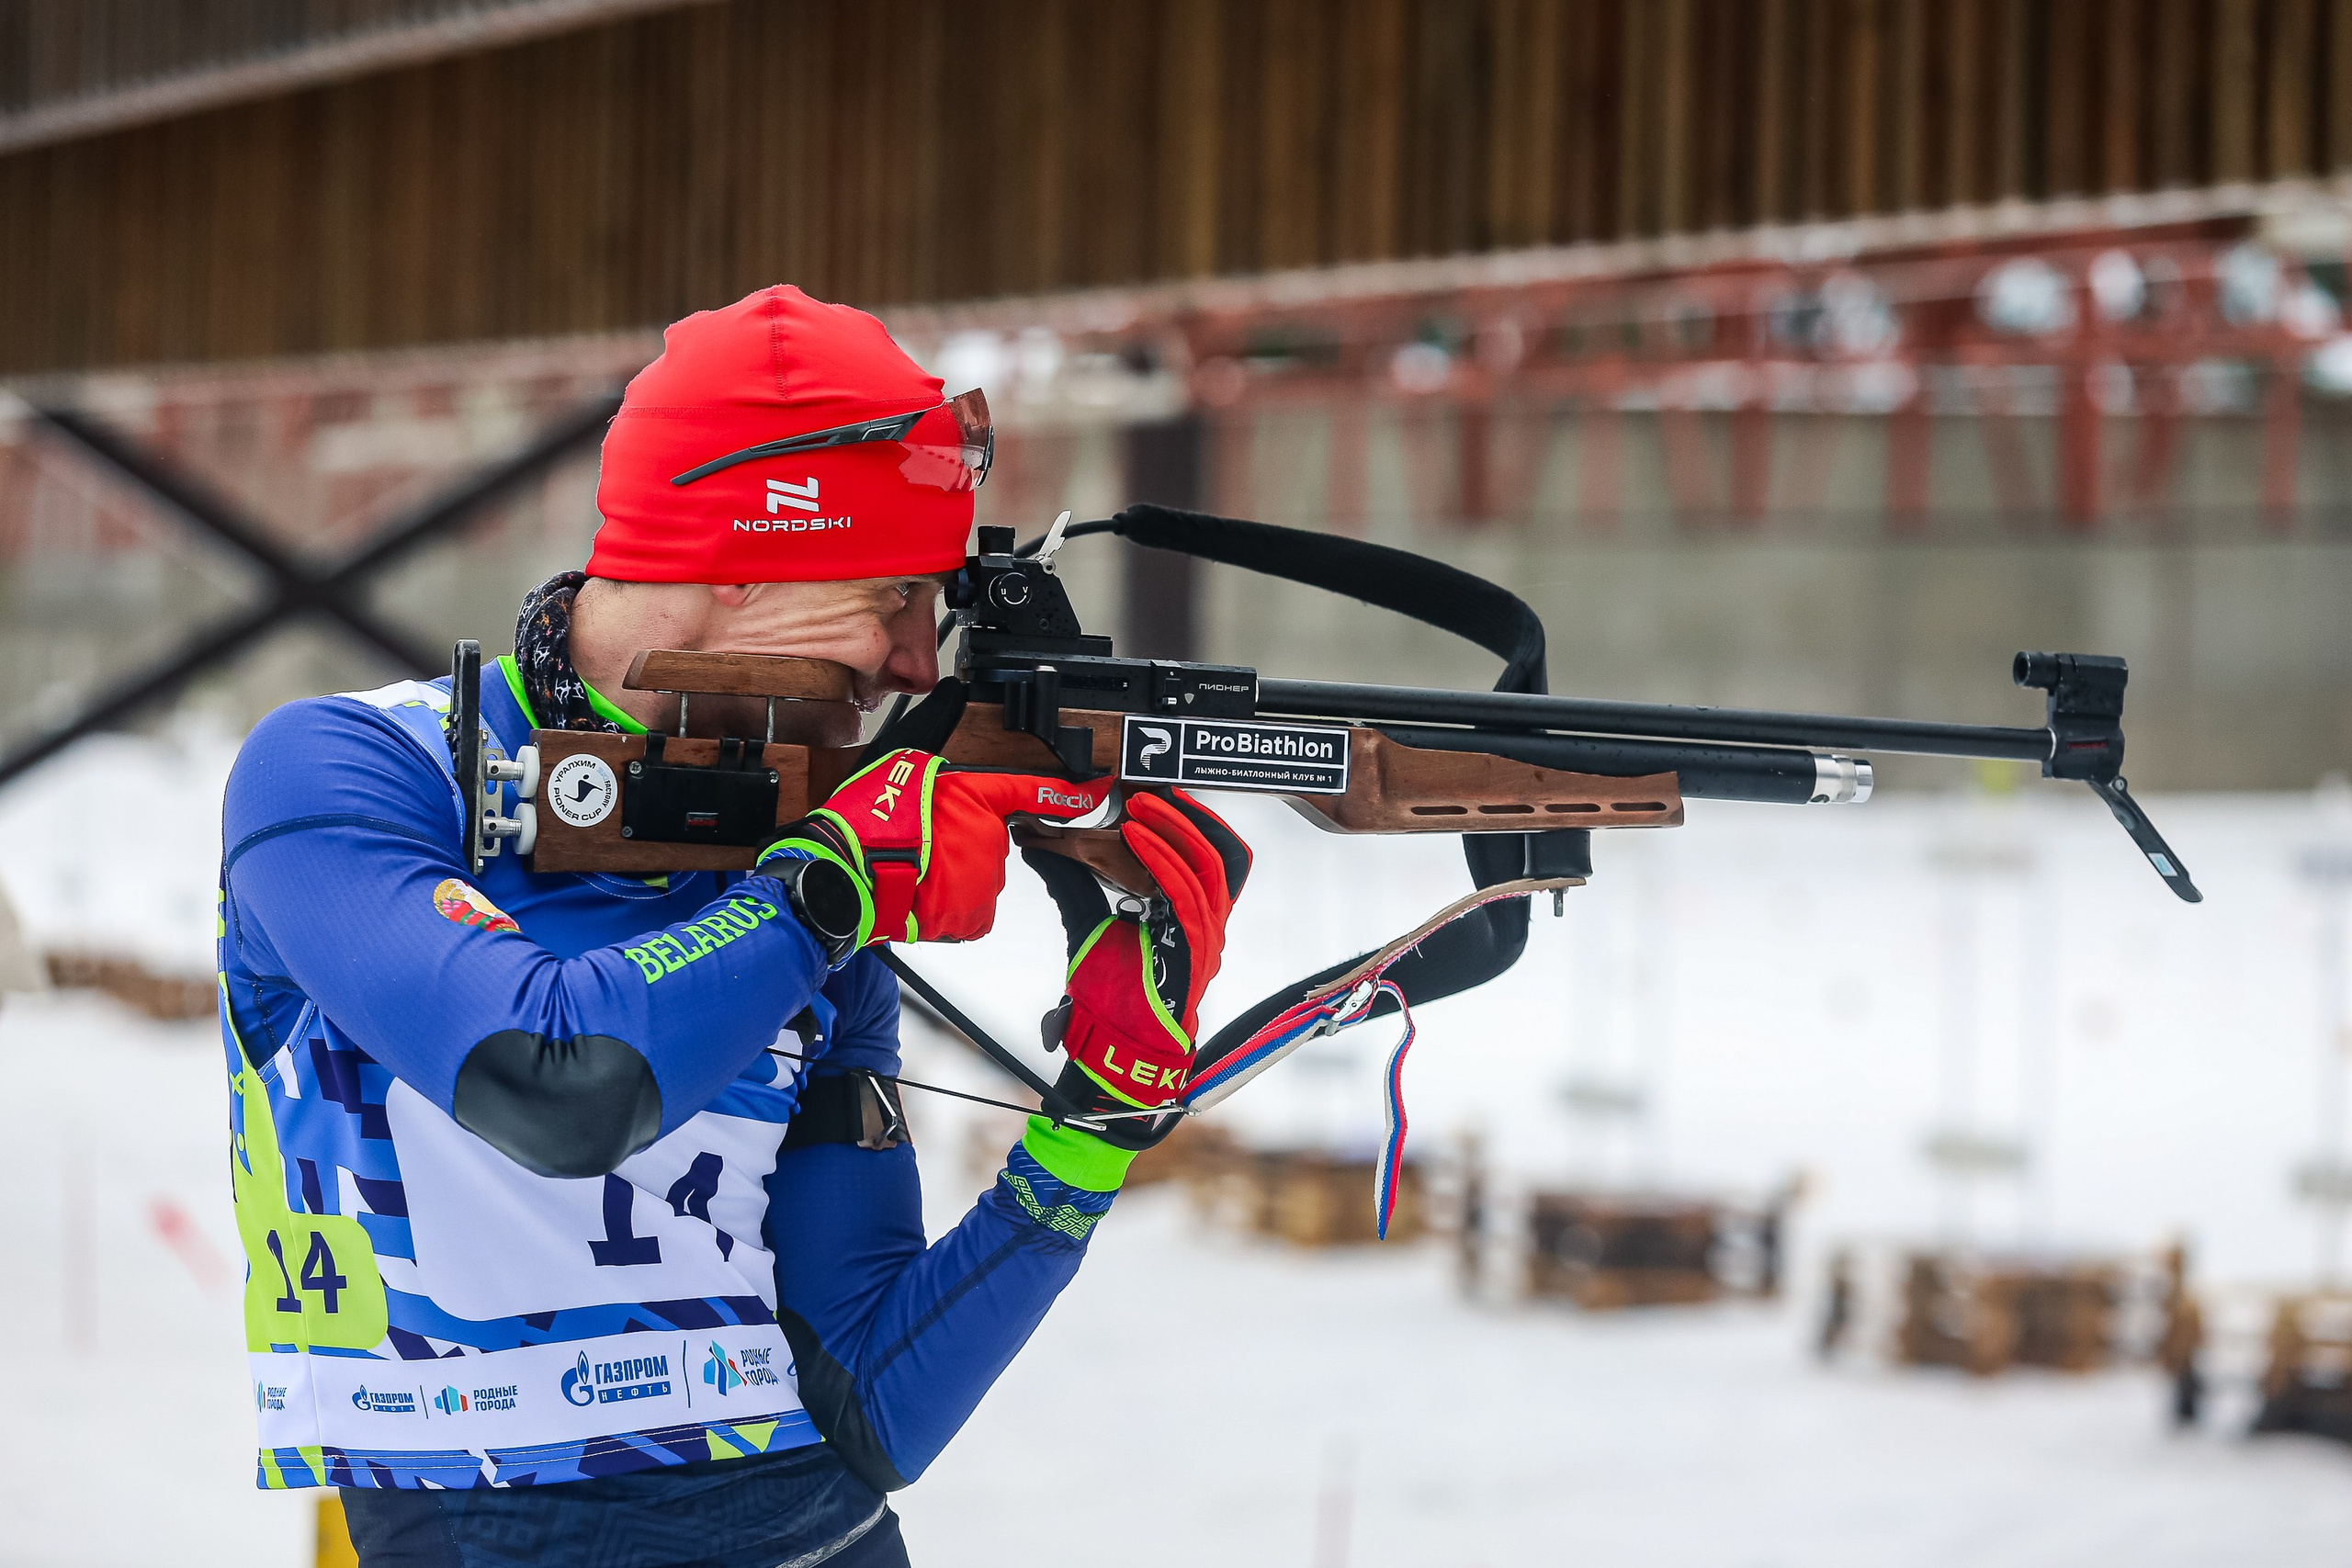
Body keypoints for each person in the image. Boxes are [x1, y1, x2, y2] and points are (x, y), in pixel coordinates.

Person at [219, 285, 1249, 1566]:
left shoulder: (806, 857)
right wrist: (824, 892)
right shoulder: (357, 772)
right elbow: (556, 1081)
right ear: (743, 563)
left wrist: (1092, 1126)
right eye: (893, 601)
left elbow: (872, 1406)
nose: (919, 665)